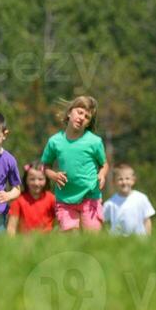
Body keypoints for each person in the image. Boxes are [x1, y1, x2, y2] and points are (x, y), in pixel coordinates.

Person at [41, 96, 108, 232]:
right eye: (79, 112)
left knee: (92, 239)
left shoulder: (94, 142)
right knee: (71, 238)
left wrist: (102, 174)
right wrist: (53, 175)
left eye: (87, 116)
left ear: (88, 123)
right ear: (69, 113)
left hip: (90, 197)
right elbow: (45, 166)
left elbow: (104, 164)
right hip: (65, 199)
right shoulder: (55, 141)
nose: (82, 117)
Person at [103, 163, 156, 235]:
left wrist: (148, 237)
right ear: (114, 182)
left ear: (133, 180)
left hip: (139, 240)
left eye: (127, 178)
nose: (124, 182)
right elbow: (103, 222)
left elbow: (147, 220)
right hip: (118, 241)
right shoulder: (110, 203)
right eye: (120, 179)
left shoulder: (141, 198)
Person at [7, 161, 56, 235]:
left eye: (40, 179)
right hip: (25, 243)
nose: (36, 183)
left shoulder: (52, 199)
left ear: (46, 180)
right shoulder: (18, 200)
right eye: (32, 179)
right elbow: (11, 227)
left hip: (47, 242)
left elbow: (59, 223)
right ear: (26, 180)